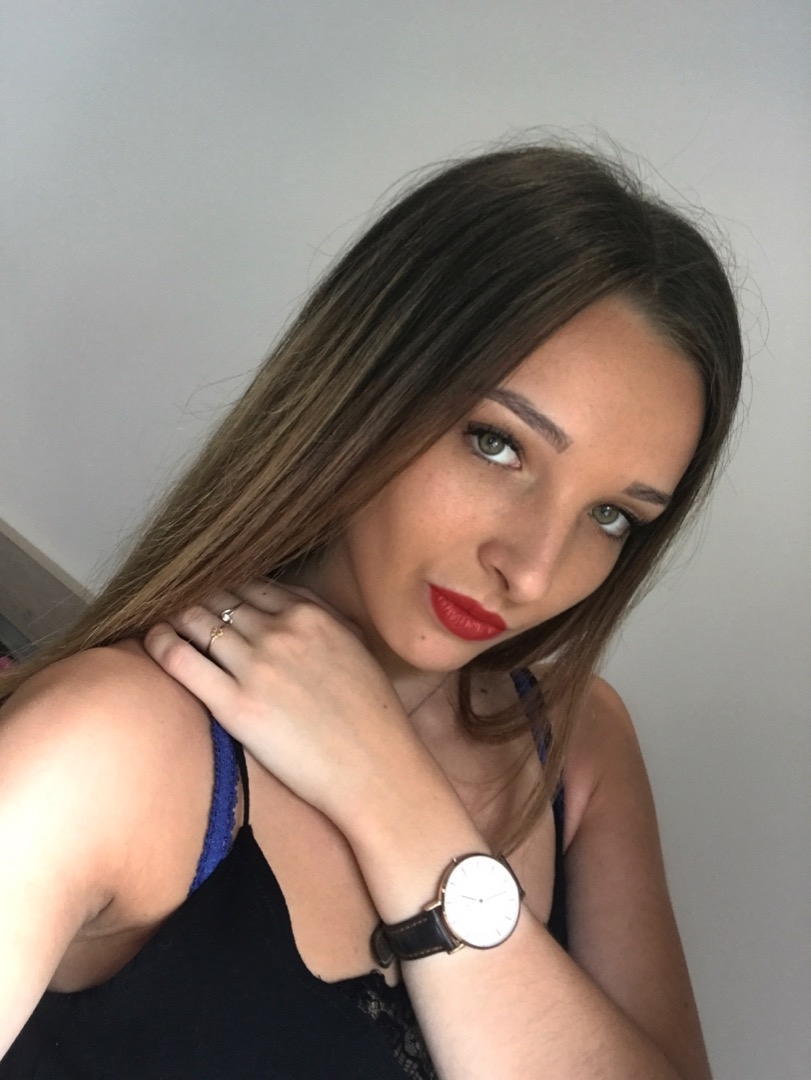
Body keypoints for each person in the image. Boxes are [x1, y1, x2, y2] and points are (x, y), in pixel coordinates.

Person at [0, 143, 742, 1079]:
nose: (530, 570)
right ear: (367, 385)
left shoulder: (578, 741)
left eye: (610, 516)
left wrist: (389, 792)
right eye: (496, 443)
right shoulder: (109, 747)